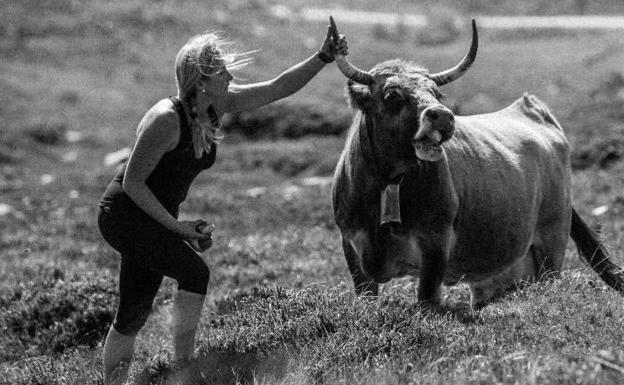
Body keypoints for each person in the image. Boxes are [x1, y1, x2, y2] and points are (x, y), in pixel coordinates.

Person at [97, 23, 347, 385]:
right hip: (125, 215)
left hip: (153, 217)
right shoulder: (166, 120)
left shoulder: (216, 104)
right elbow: (134, 183)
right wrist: (178, 229)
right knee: (195, 273)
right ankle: (184, 370)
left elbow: (277, 88)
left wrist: (323, 57)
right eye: (223, 71)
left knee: (132, 312)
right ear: (202, 80)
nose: (230, 75)